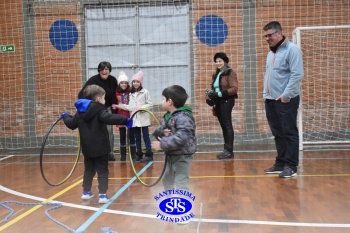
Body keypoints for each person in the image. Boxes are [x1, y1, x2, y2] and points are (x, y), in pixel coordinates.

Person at [61, 84, 133, 203]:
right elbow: (109, 118)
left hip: (87, 149)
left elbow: (71, 124)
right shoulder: (100, 109)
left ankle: (86, 192)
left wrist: (65, 117)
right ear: (98, 99)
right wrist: (125, 120)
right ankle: (103, 195)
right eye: (104, 98)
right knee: (102, 170)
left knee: (88, 170)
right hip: (101, 148)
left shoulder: (80, 112)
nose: (104, 101)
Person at [262, 21, 303, 178]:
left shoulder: (293, 50)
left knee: (289, 133)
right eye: (265, 36)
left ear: (279, 33)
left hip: (286, 100)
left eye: (270, 35)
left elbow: (297, 75)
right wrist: (266, 95)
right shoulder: (271, 52)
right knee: (278, 133)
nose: (267, 38)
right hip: (270, 100)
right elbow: (270, 75)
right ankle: (280, 163)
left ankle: (291, 166)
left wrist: (285, 96)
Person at [152, 85, 196, 192]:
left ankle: (185, 207)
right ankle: (170, 203)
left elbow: (182, 137)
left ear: (170, 102)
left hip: (182, 156)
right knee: (167, 181)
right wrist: (161, 132)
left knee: (181, 182)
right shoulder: (168, 116)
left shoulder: (183, 117)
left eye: (163, 99)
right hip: (170, 155)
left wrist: (162, 144)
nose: (161, 101)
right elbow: (159, 131)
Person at [78, 61, 118, 161]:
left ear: (109, 71)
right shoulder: (93, 80)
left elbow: (114, 96)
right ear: (99, 71)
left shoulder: (113, 80)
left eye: (107, 69)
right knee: (95, 130)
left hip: (107, 109)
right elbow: (81, 94)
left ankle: (110, 153)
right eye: (102, 69)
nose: (104, 71)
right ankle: (94, 153)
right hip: (94, 109)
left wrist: (115, 112)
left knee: (109, 131)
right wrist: (86, 107)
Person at [115, 71, 153, 162]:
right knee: (137, 137)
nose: (135, 83)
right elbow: (130, 107)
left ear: (140, 82)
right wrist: (119, 106)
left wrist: (140, 108)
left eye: (137, 81)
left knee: (145, 136)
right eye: (134, 81)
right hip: (135, 119)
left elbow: (150, 104)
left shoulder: (145, 92)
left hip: (143, 119)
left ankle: (149, 154)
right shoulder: (130, 94)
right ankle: (138, 154)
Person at [206, 52, 238, 159]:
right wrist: (210, 96)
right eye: (217, 61)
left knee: (227, 126)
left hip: (227, 101)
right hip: (219, 102)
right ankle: (226, 150)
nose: (218, 63)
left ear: (225, 61)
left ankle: (229, 151)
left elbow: (234, 89)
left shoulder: (230, 73)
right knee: (224, 127)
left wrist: (219, 94)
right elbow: (215, 89)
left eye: (220, 61)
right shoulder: (217, 73)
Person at [111, 71, 136, 161]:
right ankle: (123, 155)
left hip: (129, 115)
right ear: (119, 83)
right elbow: (114, 103)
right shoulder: (116, 93)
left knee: (131, 134)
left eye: (125, 83)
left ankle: (133, 154)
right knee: (122, 135)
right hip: (120, 116)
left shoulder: (130, 92)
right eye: (122, 83)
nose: (124, 84)